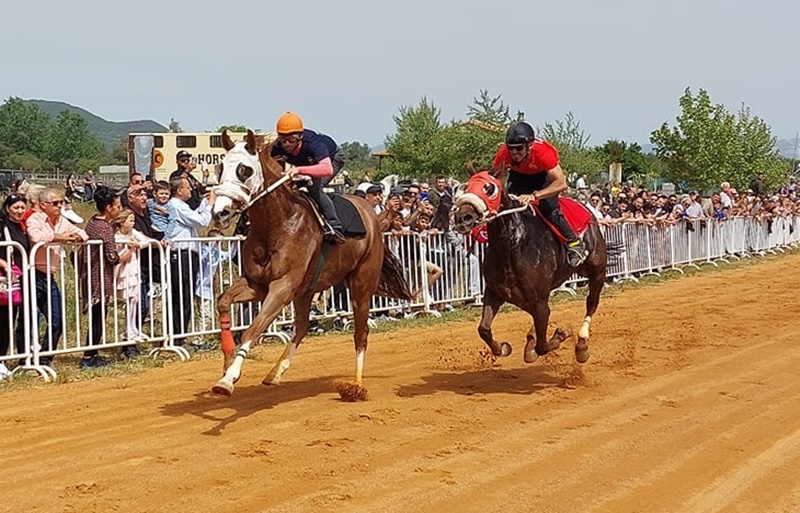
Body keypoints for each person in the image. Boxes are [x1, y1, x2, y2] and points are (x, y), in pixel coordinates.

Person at [492, 121, 587, 267]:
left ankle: (574, 242)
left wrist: (535, 196)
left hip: (543, 178)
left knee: (549, 210)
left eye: (518, 148)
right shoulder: (504, 154)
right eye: (511, 148)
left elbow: (561, 183)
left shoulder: (544, 153)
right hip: (519, 177)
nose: (514, 153)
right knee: (509, 208)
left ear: (529, 146)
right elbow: (495, 179)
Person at [27, 188, 89, 366]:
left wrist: (77, 237)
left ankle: (45, 358)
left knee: (57, 319)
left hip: (49, 277)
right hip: (32, 274)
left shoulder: (62, 220)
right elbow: (35, 237)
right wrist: (57, 236)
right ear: (43, 205)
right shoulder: (35, 219)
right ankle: (25, 360)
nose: (60, 206)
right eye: (56, 203)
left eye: (61, 202)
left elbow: (83, 233)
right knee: (27, 320)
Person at [271, 112, 347, 243]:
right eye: (283, 140)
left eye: (291, 140)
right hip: (307, 163)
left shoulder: (314, 144)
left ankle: (335, 226)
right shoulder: (278, 146)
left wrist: (299, 170)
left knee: (314, 187)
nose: (286, 144)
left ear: (300, 137)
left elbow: (326, 169)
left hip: (332, 159)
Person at [77, 186, 122, 369]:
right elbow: (112, 256)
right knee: (99, 315)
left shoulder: (92, 222)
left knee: (98, 315)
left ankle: (92, 353)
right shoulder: (105, 228)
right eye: (117, 206)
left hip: (90, 274)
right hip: (100, 277)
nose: (119, 209)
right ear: (109, 208)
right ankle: (89, 355)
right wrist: (122, 257)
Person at [166, 176, 215, 341]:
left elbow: (194, 217)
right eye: (187, 187)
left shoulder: (180, 206)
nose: (190, 190)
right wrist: (210, 205)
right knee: (182, 297)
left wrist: (204, 203)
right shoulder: (176, 205)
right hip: (181, 255)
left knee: (184, 296)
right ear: (179, 190)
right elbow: (202, 221)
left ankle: (180, 334)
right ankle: (178, 336)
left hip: (186, 255)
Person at [113, 208, 155, 357]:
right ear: (122, 222)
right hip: (124, 269)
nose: (132, 223)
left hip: (134, 269)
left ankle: (133, 328)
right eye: (130, 220)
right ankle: (128, 329)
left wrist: (138, 245)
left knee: (135, 299)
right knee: (129, 299)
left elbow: (145, 240)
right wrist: (129, 248)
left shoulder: (133, 234)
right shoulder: (117, 236)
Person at [0, 193, 30, 374]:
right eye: (16, 207)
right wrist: (5, 266)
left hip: (18, 280)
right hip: (4, 279)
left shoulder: (21, 227)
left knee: (10, 319)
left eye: (22, 207)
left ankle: (4, 359)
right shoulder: (2, 226)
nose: (19, 211)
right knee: (2, 320)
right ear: (7, 208)